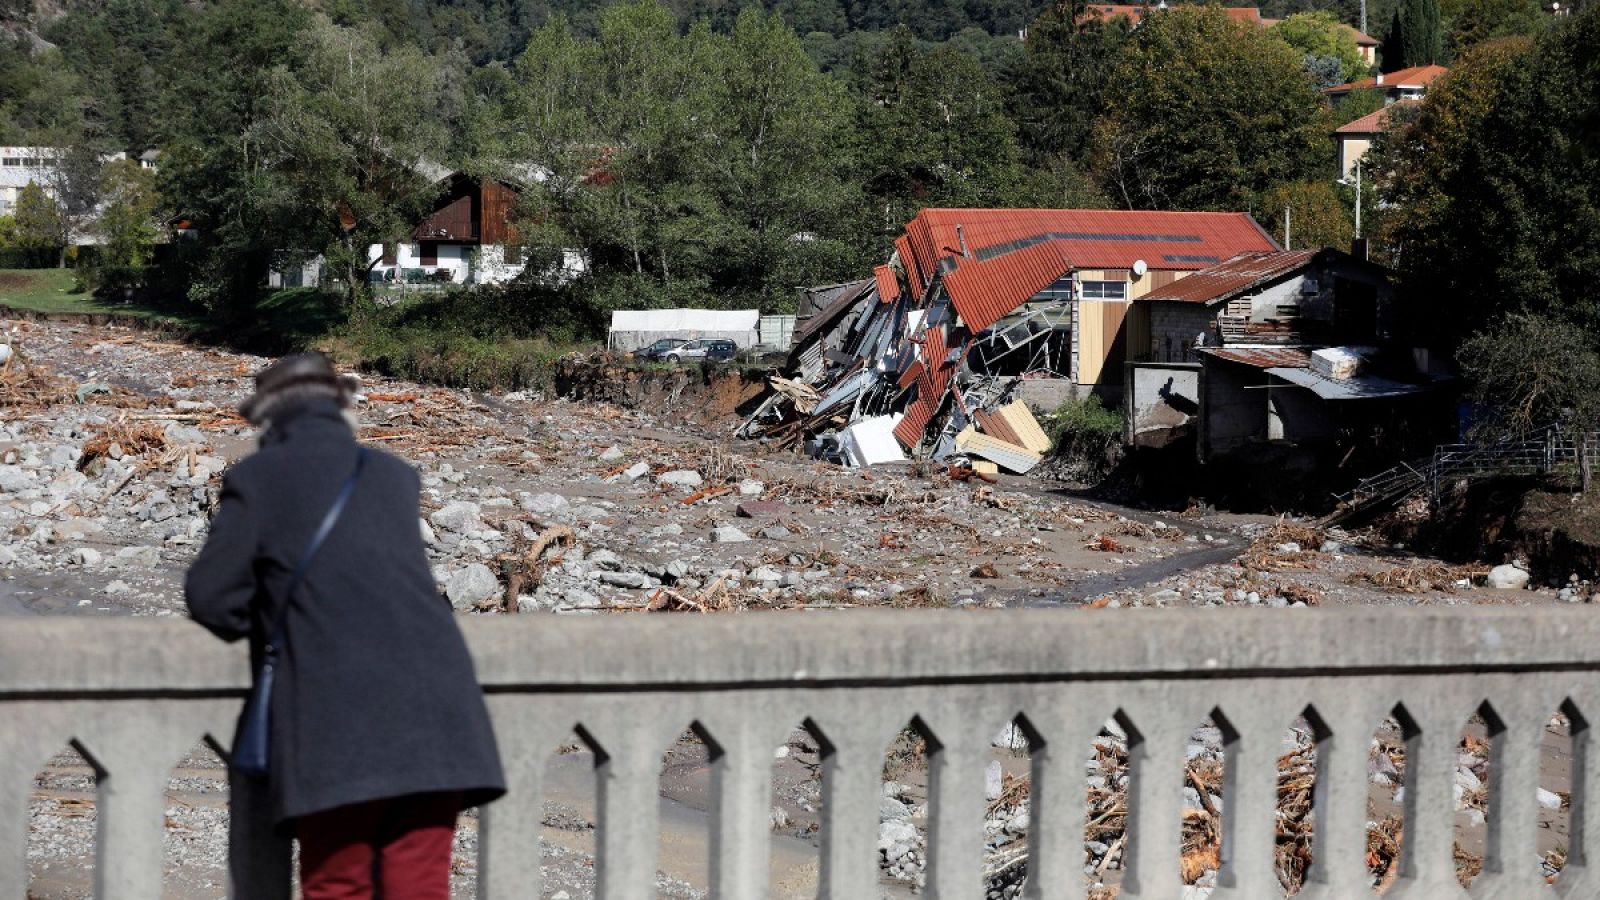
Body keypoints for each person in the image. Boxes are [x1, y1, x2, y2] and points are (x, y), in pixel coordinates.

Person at [186, 354, 504, 900]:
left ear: (269, 419)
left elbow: (212, 597)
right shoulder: (392, 475)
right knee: (420, 887)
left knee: (339, 886)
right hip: (441, 714)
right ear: (342, 408)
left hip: (336, 719)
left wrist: (278, 620)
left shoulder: (257, 479)